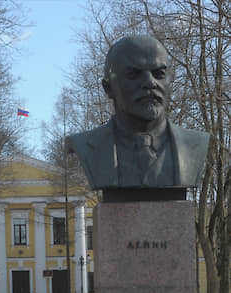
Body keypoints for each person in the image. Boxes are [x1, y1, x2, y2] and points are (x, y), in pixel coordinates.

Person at [66, 35, 210, 196]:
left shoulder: (195, 145)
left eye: (159, 73)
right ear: (108, 87)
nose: (150, 83)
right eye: (133, 74)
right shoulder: (86, 146)